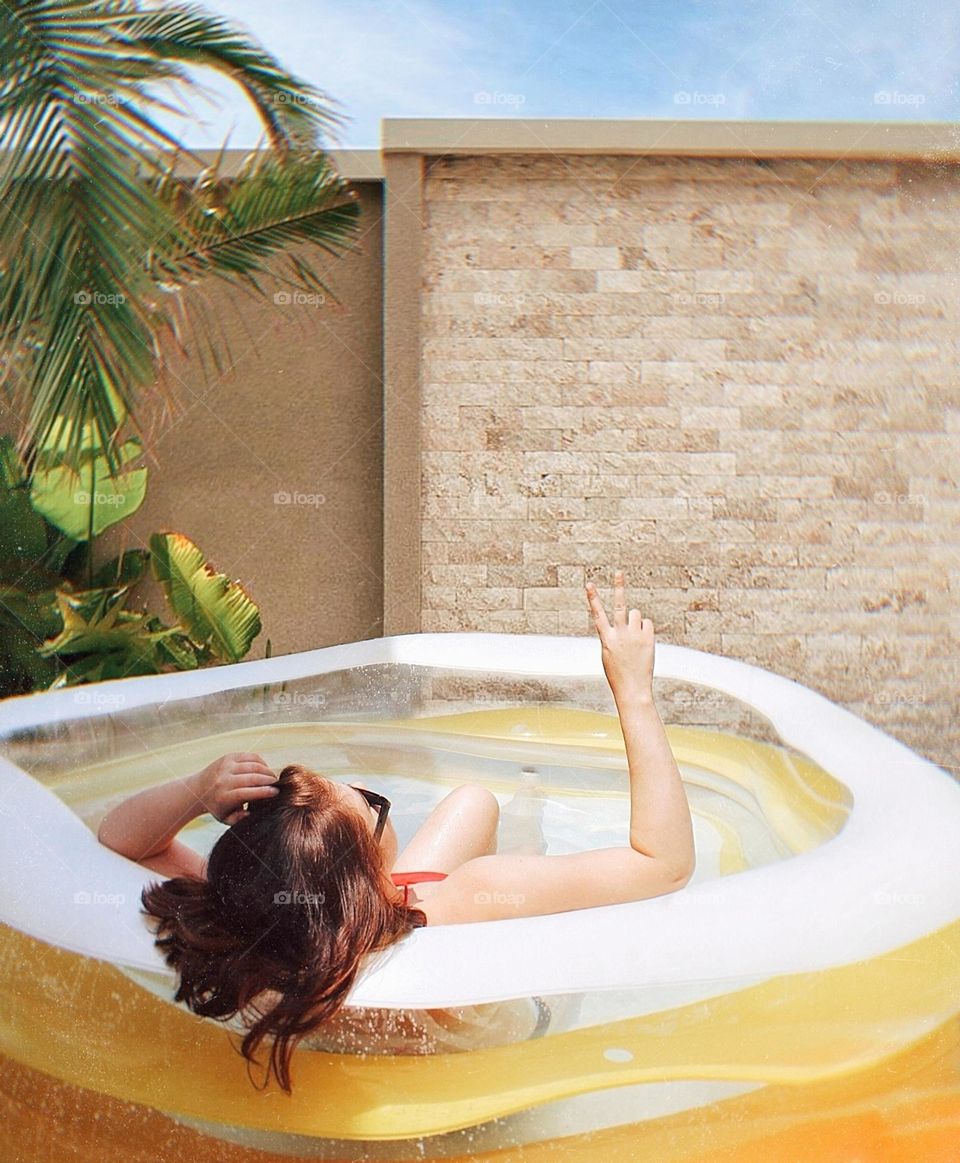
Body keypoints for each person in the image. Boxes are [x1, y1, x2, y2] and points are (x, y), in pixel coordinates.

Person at [99, 570, 695, 1092]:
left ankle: (515, 821)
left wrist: (195, 791)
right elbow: (663, 863)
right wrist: (635, 692)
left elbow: (121, 842)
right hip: (513, 1025)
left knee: (469, 802)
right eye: (373, 805)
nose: (373, 800)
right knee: (507, 860)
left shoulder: (250, 937)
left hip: (373, 966)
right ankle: (528, 836)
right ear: (366, 877)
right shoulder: (470, 903)